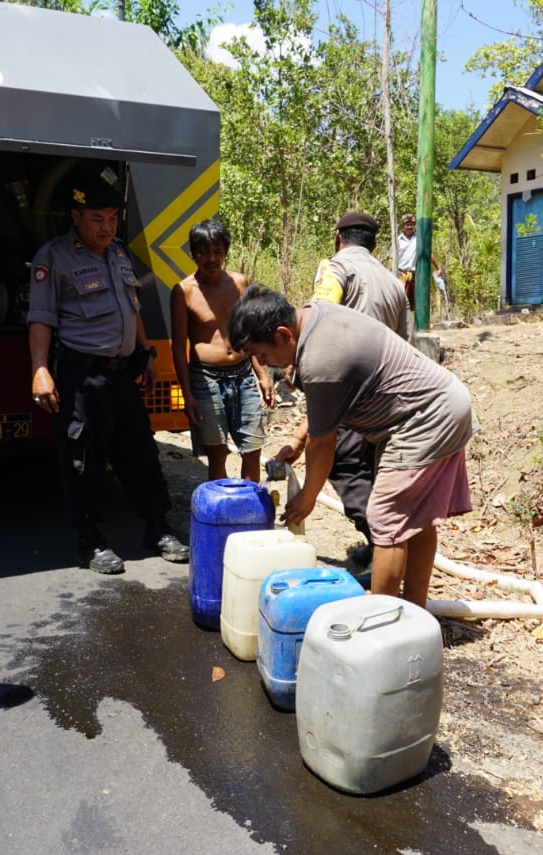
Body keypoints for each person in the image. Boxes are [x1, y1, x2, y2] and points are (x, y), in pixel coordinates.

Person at [229, 284, 475, 608]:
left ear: (284, 335)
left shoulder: (319, 359)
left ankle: (382, 625)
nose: (267, 363)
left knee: (384, 518)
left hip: (423, 419)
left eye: (263, 355)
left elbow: (325, 443)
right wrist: (298, 440)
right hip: (446, 402)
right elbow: (329, 406)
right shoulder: (314, 312)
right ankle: (415, 613)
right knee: (416, 518)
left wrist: (308, 498)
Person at [29, 180, 190, 575]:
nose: (107, 227)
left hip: (123, 375)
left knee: (141, 453)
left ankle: (157, 528)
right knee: (83, 459)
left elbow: (132, 308)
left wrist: (146, 352)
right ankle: (90, 541)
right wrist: (39, 369)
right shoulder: (54, 258)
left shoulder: (119, 254)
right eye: (97, 219)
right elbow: (41, 318)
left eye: (113, 218)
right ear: (76, 216)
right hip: (82, 376)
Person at [274, 211, 408, 568]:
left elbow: (319, 313)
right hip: (387, 395)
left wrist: (296, 358)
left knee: (344, 465)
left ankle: (382, 547)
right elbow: (403, 344)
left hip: (349, 391)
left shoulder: (335, 268)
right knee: (372, 470)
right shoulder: (394, 283)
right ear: (374, 244)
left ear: (338, 238)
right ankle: (385, 544)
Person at [170, 219, 272, 482]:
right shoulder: (184, 292)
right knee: (217, 453)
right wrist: (187, 395)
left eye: (217, 251)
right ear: (193, 253)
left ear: (226, 252)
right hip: (206, 378)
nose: (211, 258)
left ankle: (250, 514)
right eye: (203, 251)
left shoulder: (239, 283)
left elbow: (251, 331)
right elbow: (180, 348)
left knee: (252, 448)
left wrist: (262, 374)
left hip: (243, 374)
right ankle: (222, 516)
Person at [395, 212, 445, 316]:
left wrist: (438, 268)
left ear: (414, 225)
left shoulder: (420, 238)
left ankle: (419, 326)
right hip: (401, 275)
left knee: (419, 302)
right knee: (400, 303)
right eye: (407, 224)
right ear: (403, 226)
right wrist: (390, 273)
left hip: (416, 275)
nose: (409, 226)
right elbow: (392, 258)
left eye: (411, 224)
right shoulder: (398, 240)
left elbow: (429, 253)